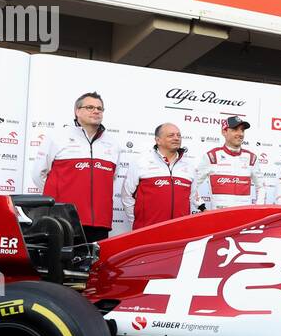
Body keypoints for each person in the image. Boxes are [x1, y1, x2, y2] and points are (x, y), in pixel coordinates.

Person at [35, 91, 124, 242]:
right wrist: (59, 195)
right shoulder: (57, 137)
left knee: (92, 265)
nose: (96, 111)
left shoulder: (113, 143)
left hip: (99, 223)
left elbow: (112, 178)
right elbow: (39, 174)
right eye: (90, 107)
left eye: (99, 108)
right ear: (77, 111)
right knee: (61, 265)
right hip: (63, 220)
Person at [122, 123, 201, 229]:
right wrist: (137, 222)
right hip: (147, 231)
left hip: (179, 231)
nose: (176, 138)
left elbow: (190, 197)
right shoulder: (141, 162)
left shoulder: (190, 166)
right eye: (171, 135)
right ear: (158, 140)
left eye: (178, 135)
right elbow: (127, 195)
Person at [195, 115, 263, 209]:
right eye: (235, 129)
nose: (240, 134)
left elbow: (261, 187)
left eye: (242, 130)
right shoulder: (212, 156)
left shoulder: (251, 158)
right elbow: (193, 185)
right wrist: (202, 207)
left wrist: (257, 210)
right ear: (224, 132)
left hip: (244, 219)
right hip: (219, 219)